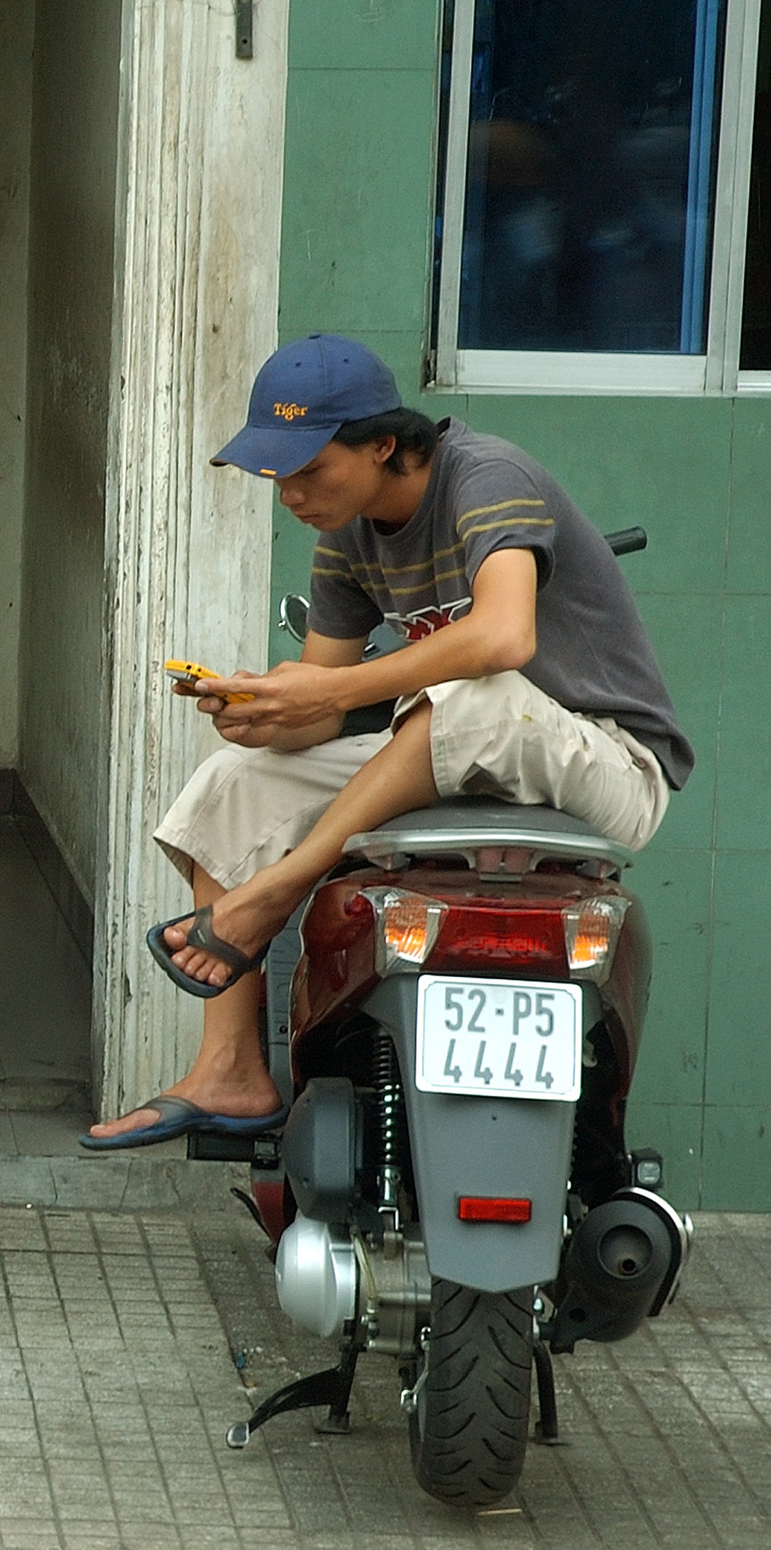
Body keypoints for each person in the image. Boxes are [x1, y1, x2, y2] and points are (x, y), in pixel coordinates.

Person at [85, 334, 691, 1150]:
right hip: (461, 745)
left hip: (608, 761)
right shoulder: (350, 530)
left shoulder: (487, 477)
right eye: (279, 475)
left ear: (384, 443)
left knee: (473, 694)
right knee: (239, 779)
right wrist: (264, 708)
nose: (291, 494)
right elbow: (324, 708)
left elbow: (504, 636)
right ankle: (230, 1064)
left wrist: (326, 689)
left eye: (309, 469)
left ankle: (276, 892)